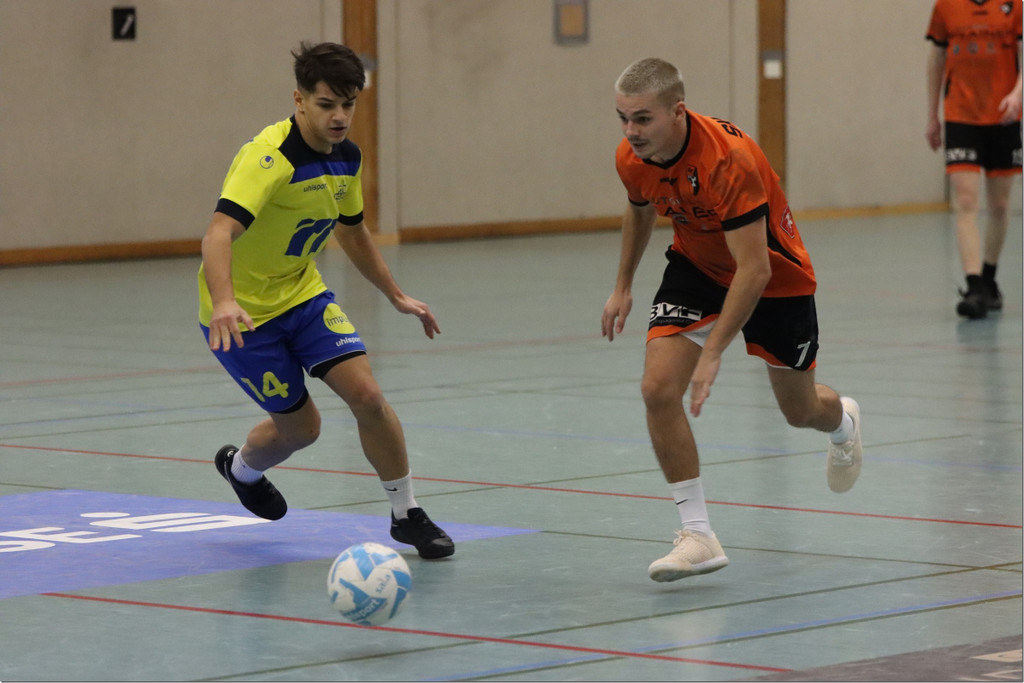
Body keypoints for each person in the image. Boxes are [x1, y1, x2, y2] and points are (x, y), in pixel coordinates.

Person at [601, 58, 862, 583]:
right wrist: (623, 284)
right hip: (697, 267)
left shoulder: (728, 160)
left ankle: (843, 422)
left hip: (774, 278)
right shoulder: (633, 157)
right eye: (623, 118)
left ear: (678, 111)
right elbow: (640, 207)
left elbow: (755, 269)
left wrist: (713, 351)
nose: (631, 132)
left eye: (643, 119)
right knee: (658, 389)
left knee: (799, 410)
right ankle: (698, 534)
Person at [197, 41, 454, 560]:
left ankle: (406, 513)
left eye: (348, 104)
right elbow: (218, 233)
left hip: (304, 296)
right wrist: (224, 302)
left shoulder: (347, 157)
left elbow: (352, 231)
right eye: (326, 104)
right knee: (303, 430)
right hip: (244, 317)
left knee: (369, 397)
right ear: (299, 99)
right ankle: (241, 469)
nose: (339, 117)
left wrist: (396, 295)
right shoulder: (268, 158)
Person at [925, 0, 1023, 319]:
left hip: (1004, 116)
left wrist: (1018, 94)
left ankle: (989, 277)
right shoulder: (946, 6)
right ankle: (974, 285)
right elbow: (936, 58)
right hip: (961, 115)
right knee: (966, 201)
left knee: (999, 205)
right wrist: (932, 116)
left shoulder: (1014, 6)